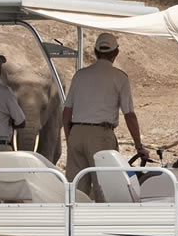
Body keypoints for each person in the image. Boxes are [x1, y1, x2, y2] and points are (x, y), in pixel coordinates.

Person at [62, 32, 148, 196]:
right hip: (101, 136)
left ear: (95, 52)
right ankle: (101, 221)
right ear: (116, 53)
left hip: (77, 133)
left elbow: (66, 112)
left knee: (77, 189)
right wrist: (138, 145)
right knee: (104, 188)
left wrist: (70, 137)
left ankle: (74, 221)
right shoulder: (120, 78)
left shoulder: (80, 75)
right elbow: (129, 114)